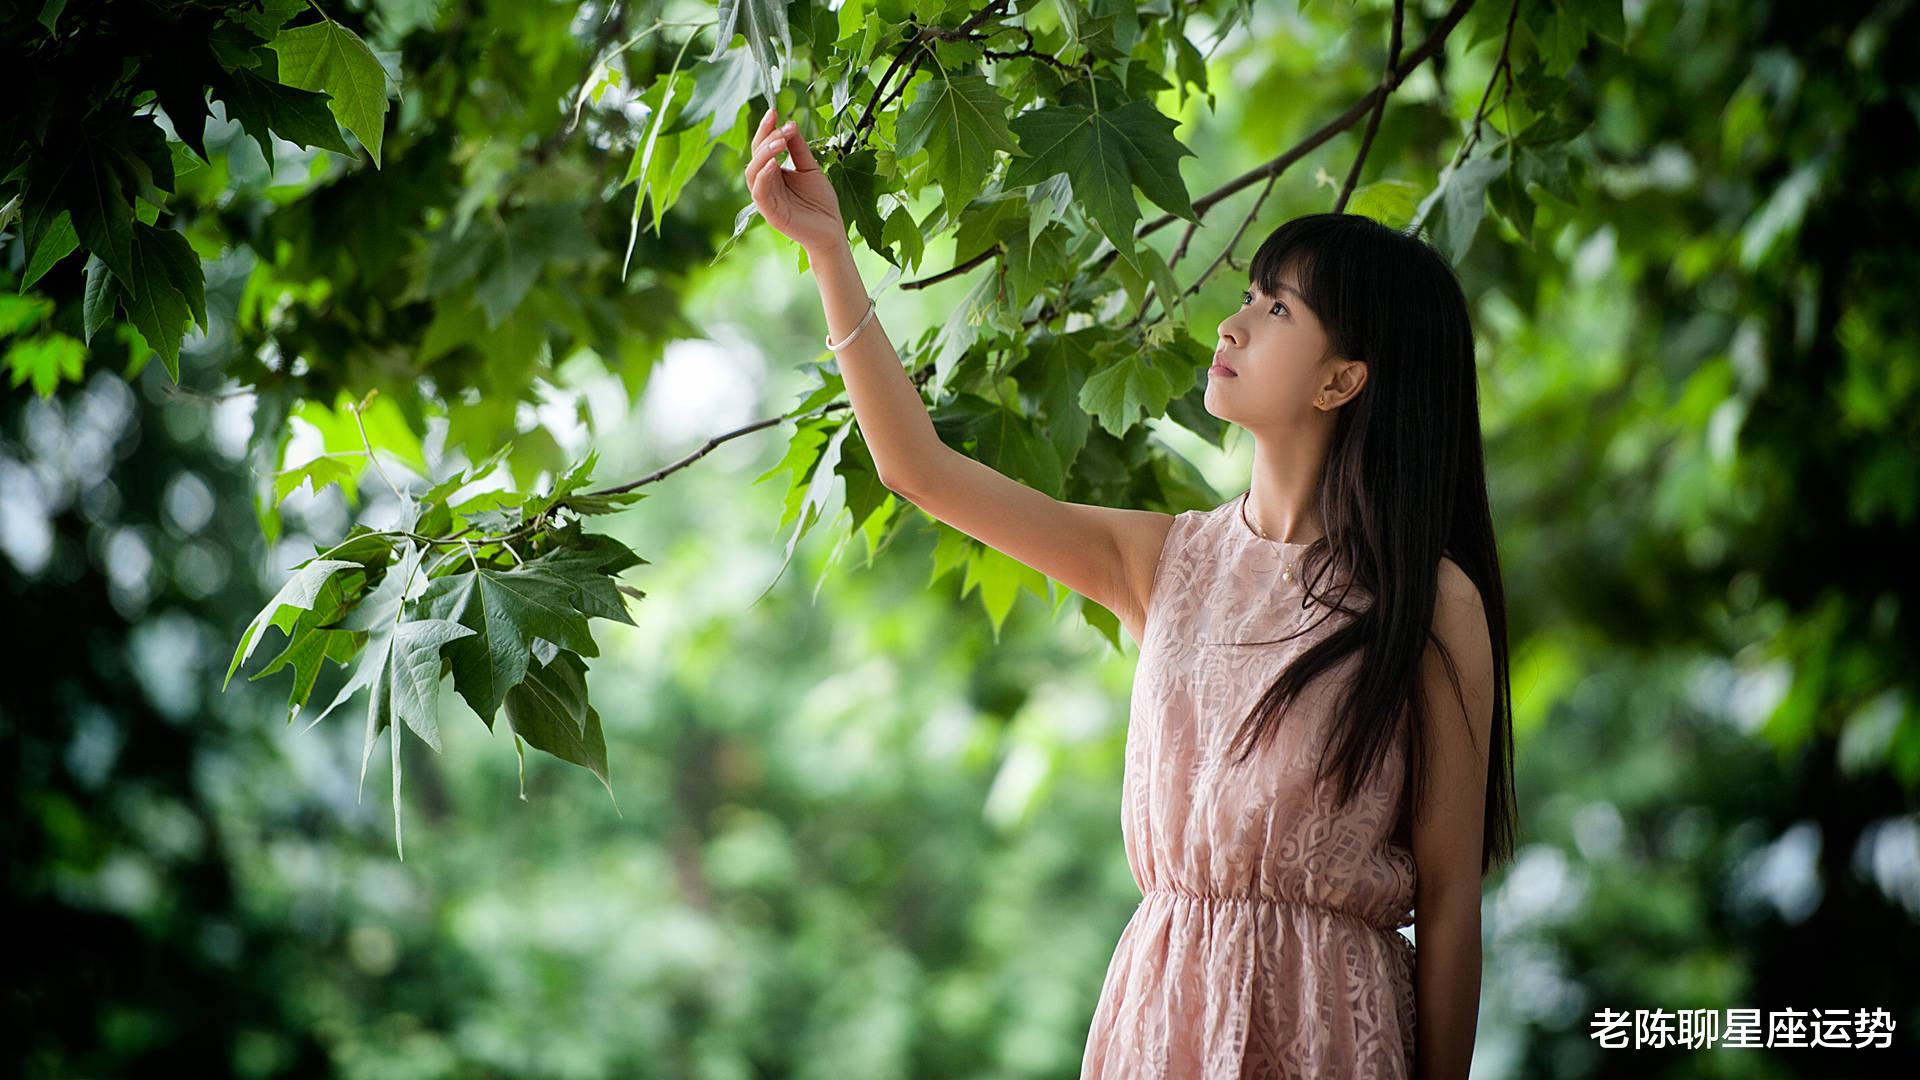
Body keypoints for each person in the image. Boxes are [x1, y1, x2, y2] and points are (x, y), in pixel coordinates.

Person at [744, 106, 1517, 1080]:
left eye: (1279, 310)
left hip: (1333, 1029)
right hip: (1162, 1022)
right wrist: (827, 250)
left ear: (1342, 381)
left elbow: (1450, 905)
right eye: (1249, 293)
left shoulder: (1428, 605)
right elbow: (918, 468)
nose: (1233, 322)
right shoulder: (1165, 561)